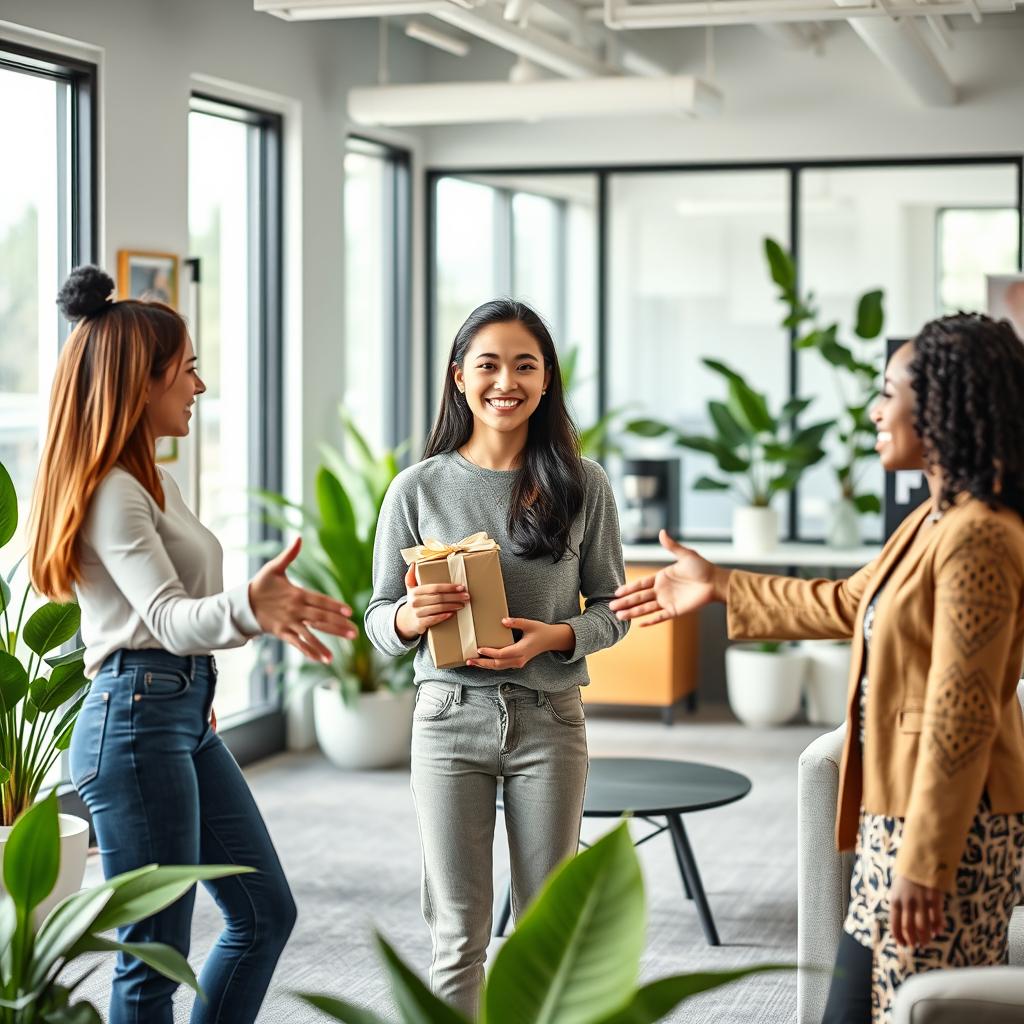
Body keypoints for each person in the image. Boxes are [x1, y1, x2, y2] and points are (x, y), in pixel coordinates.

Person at [610, 312, 1024, 1024]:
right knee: (852, 1009)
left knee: (909, 1012)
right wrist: (721, 585)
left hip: (950, 830)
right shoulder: (931, 522)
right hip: (897, 817)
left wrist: (925, 861)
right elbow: (846, 601)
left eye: (889, 391)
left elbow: (962, 714)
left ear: (943, 403)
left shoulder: (979, 535)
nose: (874, 409)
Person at [29, 265, 358, 1024]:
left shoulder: (152, 479)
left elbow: (177, 626)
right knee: (152, 962)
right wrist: (251, 604)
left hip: (176, 711)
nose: (199, 389)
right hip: (137, 721)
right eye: (188, 371)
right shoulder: (113, 489)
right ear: (138, 385)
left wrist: (218, 655)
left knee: (264, 913)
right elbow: (171, 618)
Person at [365, 298, 628, 1015]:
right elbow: (376, 619)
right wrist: (409, 617)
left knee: (546, 929)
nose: (504, 381)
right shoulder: (416, 488)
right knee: (458, 932)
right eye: (487, 364)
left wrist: (554, 638)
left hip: (550, 719)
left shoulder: (584, 484)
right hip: (449, 722)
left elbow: (613, 609)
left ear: (546, 382)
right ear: (459, 377)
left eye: (524, 365)